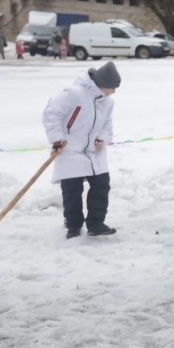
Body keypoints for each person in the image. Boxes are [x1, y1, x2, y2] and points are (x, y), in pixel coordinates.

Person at [42, 61, 120, 239]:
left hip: (94, 152)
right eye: (113, 87)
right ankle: (73, 225)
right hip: (70, 149)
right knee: (72, 190)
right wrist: (57, 139)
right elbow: (51, 113)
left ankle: (96, 223)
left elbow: (107, 125)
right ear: (104, 84)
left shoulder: (108, 103)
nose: (114, 92)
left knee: (101, 186)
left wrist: (102, 139)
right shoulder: (74, 93)